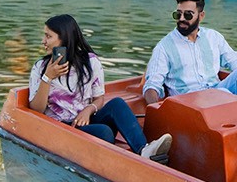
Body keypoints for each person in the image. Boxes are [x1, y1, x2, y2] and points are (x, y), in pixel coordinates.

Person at [28, 14, 172, 161]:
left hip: (85, 121)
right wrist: (47, 77)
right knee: (104, 132)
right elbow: (36, 109)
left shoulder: (90, 62)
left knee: (117, 104)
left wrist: (88, 110)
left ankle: (144, 150)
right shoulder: (40, 67)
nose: (43, 41)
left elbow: (99, 98)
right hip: (61, 128)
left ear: (64, 38)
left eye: (48, 36)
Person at [142, 0, 237, 121]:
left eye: (188, 15)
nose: (181, 19)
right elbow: (152, 85)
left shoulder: (213, 37)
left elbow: (236, 61)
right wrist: (157, 112)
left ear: (201, 15)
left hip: (215, 89)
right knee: (224, 95)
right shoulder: (164, 47)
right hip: (187, 102)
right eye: (178, 14)